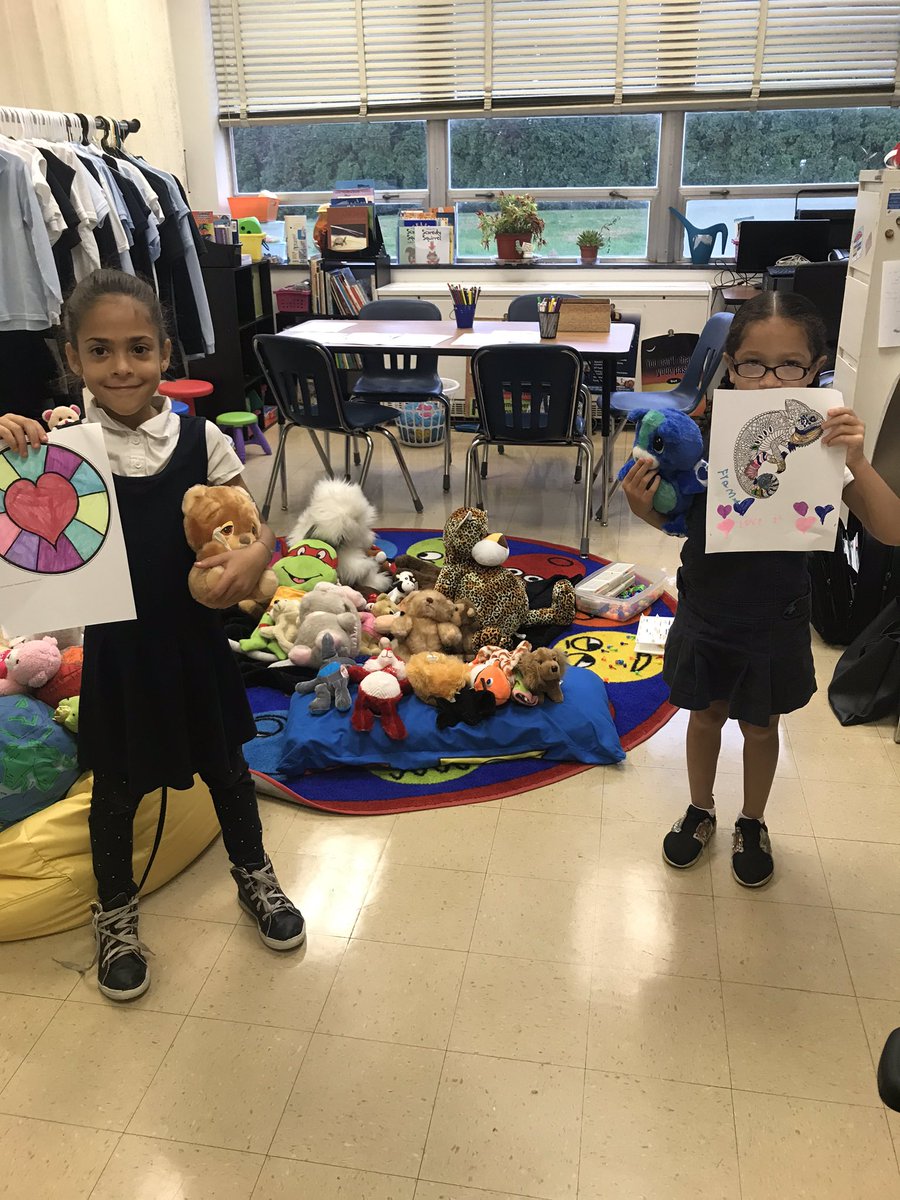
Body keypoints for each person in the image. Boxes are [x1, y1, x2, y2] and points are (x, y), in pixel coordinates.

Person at [0, 269, 304, 1001]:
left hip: (197, 646)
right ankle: (116, 914)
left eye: (139, 348)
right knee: (116, 791)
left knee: (229, 771)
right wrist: (10, 440)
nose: (122, 367)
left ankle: (255, 878)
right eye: (100, 352)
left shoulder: (202, 441)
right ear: (73, 359)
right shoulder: (57, 445)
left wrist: (252, 561)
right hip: (116, 656)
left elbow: (259, 534)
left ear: (167, 352)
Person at [622, 291, 900, 887]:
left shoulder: (823, 442)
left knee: (762, 725)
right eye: (751, 363)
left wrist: (857, 459)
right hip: (707, 603)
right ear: (729, 365)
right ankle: (700, 808)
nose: (769, 379)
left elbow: (890, 527)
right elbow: (680, 521)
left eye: (791, 365)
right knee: (702, 714)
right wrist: (643, 507)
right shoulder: (702, 436)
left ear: (815, 367)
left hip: (778, 612)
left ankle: (753, 819)